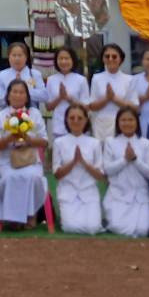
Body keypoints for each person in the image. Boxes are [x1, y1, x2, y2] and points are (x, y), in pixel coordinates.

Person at [0, 79, 49, 230]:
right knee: (11, 177)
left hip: (30, 159)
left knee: (34, 177)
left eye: (21, 92)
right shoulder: (0, 116)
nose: (17, 95)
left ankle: (32, 215)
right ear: (8, 96)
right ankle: (12, 219)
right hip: (6, 161)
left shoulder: (34, 114)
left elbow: (44, 142)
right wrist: (11, 137)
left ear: (27, 96)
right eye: (14, 92)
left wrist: (28, 139)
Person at [101, 105, 149, 238]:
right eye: (123, 120)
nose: (127, 123)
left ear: (136, 122)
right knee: (119, 227)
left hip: (140, 196)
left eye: (130, 120)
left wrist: (135, 159)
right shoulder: (110, 142)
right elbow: (107, 170)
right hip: (118, 193)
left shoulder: (145, 143)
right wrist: (125, 160)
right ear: (118, 123)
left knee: (143, 230)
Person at [52, 101, 104, 235]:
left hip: (89, 192)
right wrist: (73, 162)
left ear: (86, 120)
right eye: (72, 118)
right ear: (66, 120)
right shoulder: (59, 142)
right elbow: (57, 174)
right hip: (68, 191)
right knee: (70, 227)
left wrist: (84, 163)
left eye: (80, 118)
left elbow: (100, 175)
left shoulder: (95, 143)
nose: (76, 121)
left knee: (93, 228)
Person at [88, 43, 134, 141]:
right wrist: (106, 99)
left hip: (123, 123)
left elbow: (133, 106)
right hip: (101, 124)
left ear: (120, 59)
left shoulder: (129, 79)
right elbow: (92, 106)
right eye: (107, 56)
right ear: (103, 59)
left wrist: (113, 98)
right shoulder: (97, 78)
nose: (110, 59)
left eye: (114, 56)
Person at [45, 47, 89, 139]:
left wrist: (68, 98)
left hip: (78, 125)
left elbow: (86, 107)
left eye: (67, 58)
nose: (63, 61)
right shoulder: (51, 80)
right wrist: (60, 97)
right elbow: (48, 107)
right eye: (61, 58)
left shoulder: (81, 80)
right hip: (58, 126)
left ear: (72, 60)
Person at [0, 42, 47, 109]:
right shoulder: (2, 75)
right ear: (9, 57)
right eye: (14, 55)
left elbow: (44, 96)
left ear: (26, 57)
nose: (17, 59)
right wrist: (12, 94)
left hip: (31, 114)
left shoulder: (34, 74)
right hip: (8, 114)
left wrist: (25, 92)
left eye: (20, 55)